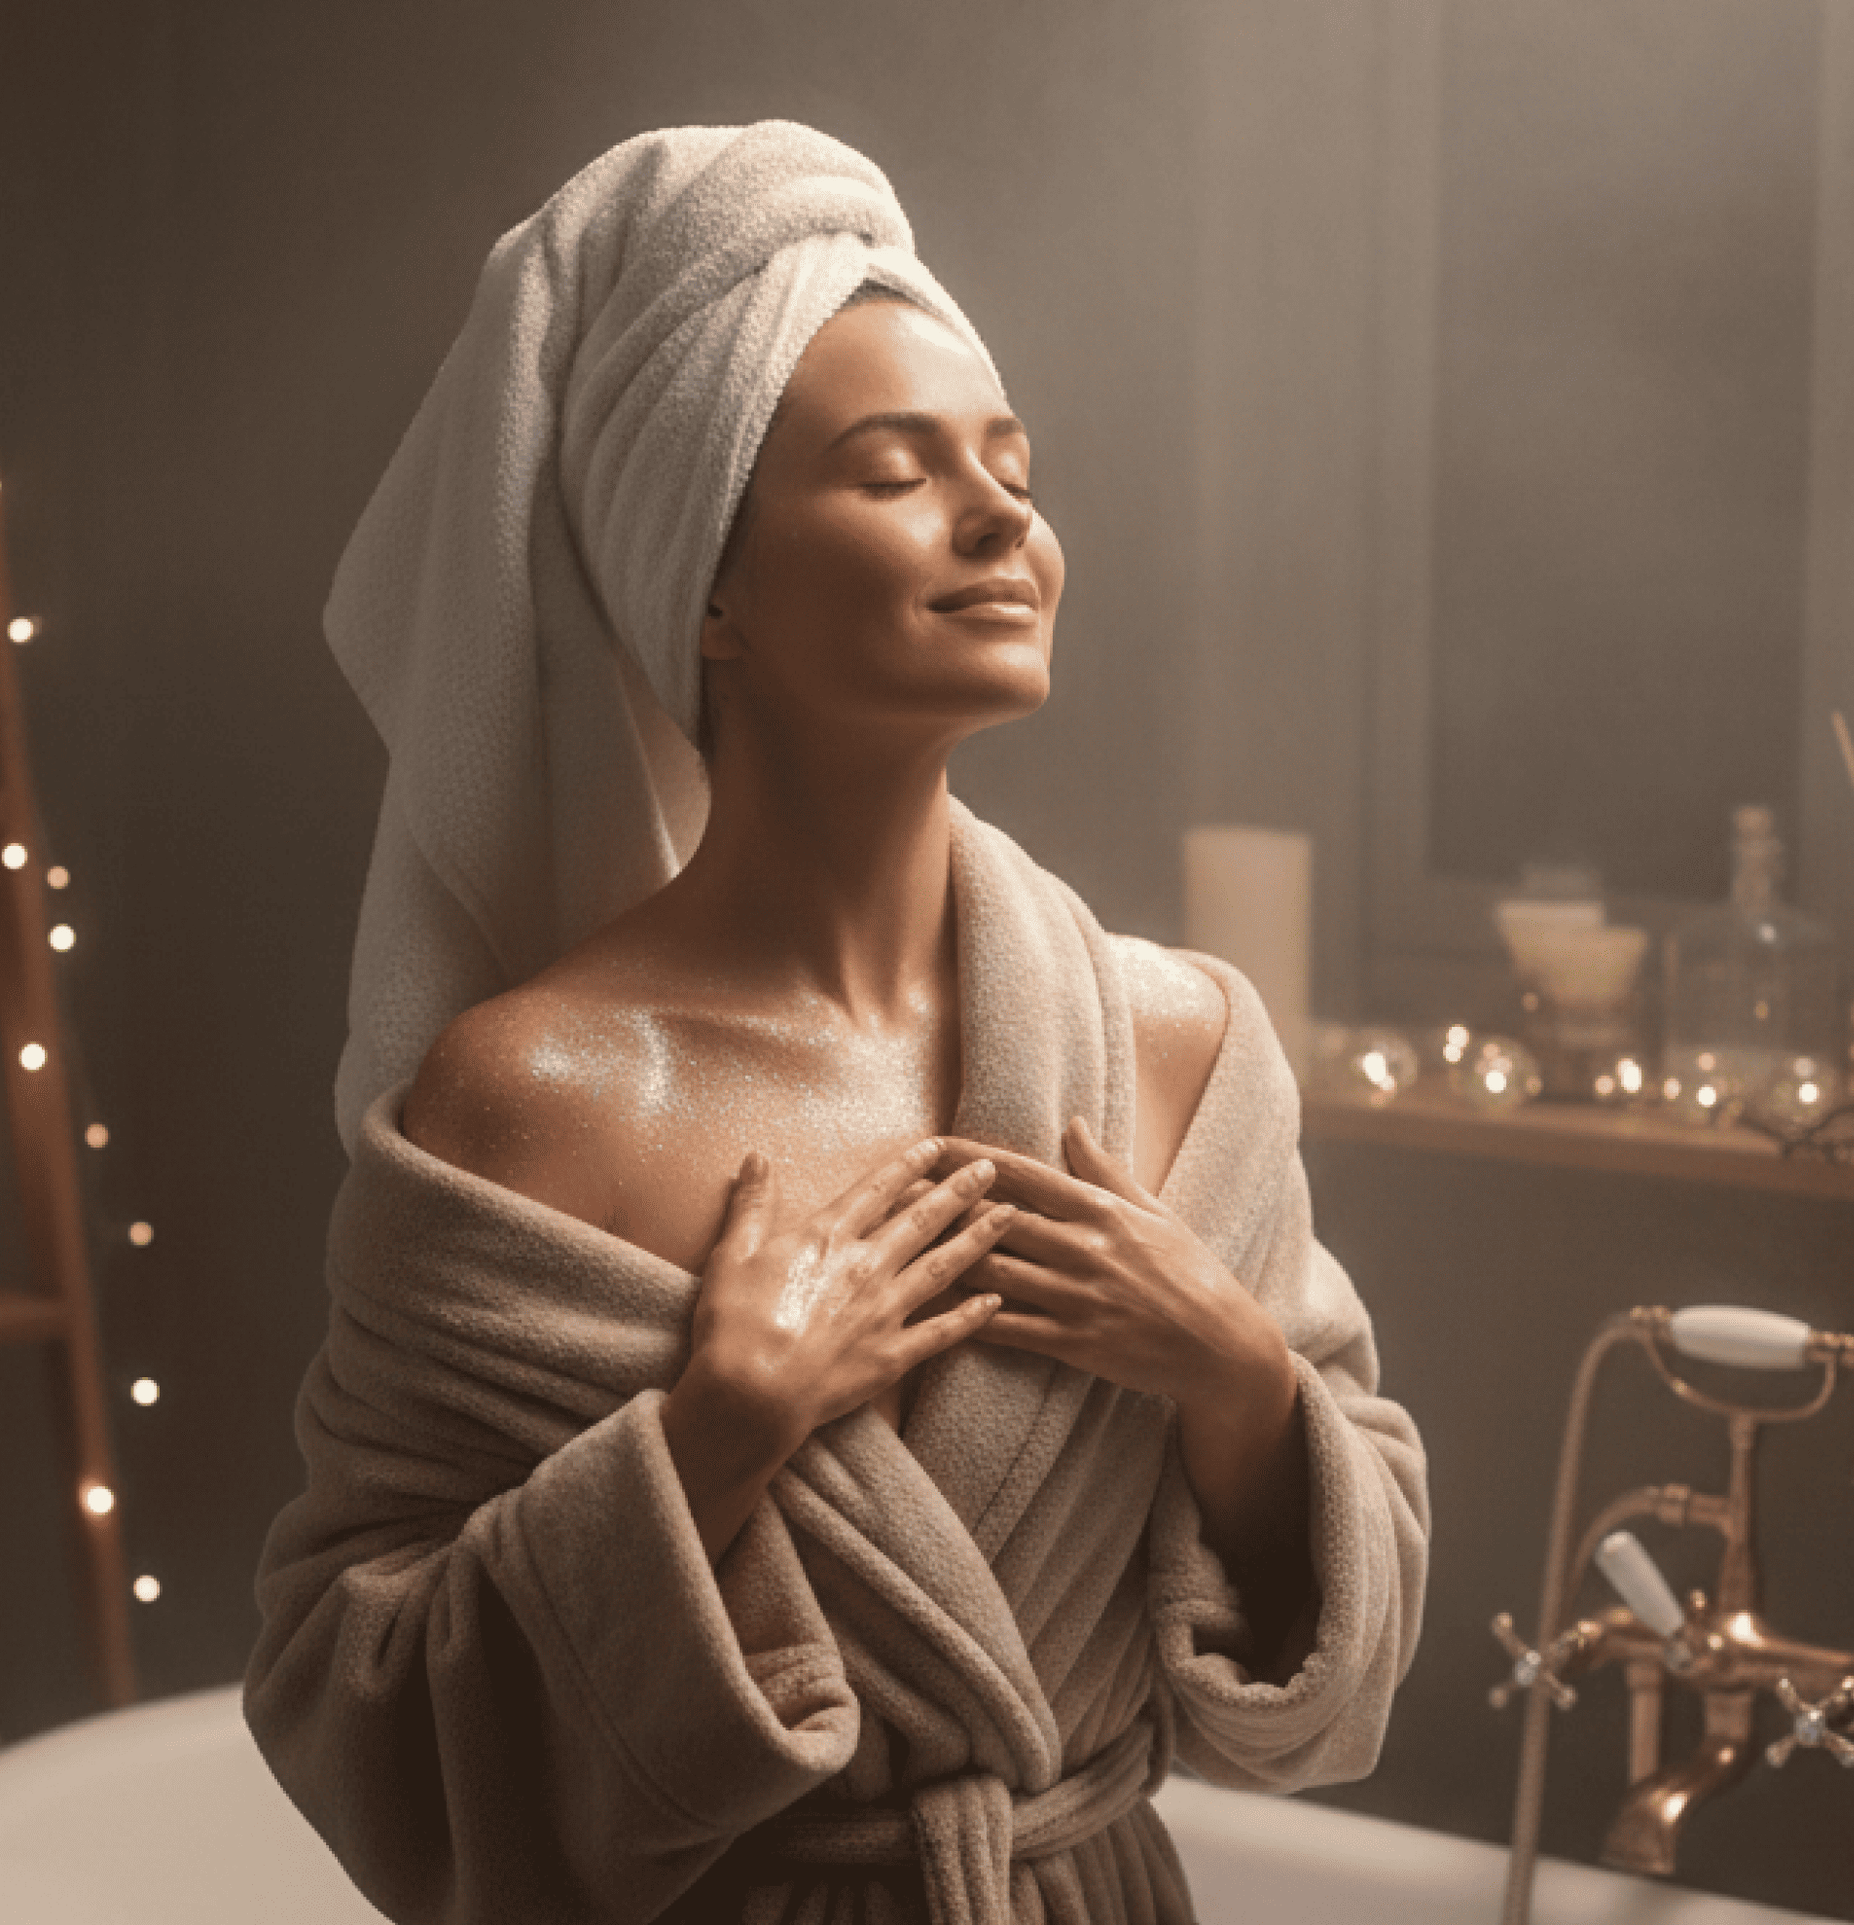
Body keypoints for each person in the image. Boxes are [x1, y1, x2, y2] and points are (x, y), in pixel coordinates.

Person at [244, 120, 1428, 1925]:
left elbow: (1345, 1645)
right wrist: (708, 1438)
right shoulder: (535, 1094)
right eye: (895, 471)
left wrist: (1241, 1381)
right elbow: (353, 1700)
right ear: (706, 584)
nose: (1001, 517)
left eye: (1011, 467)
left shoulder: (1179, 1046)